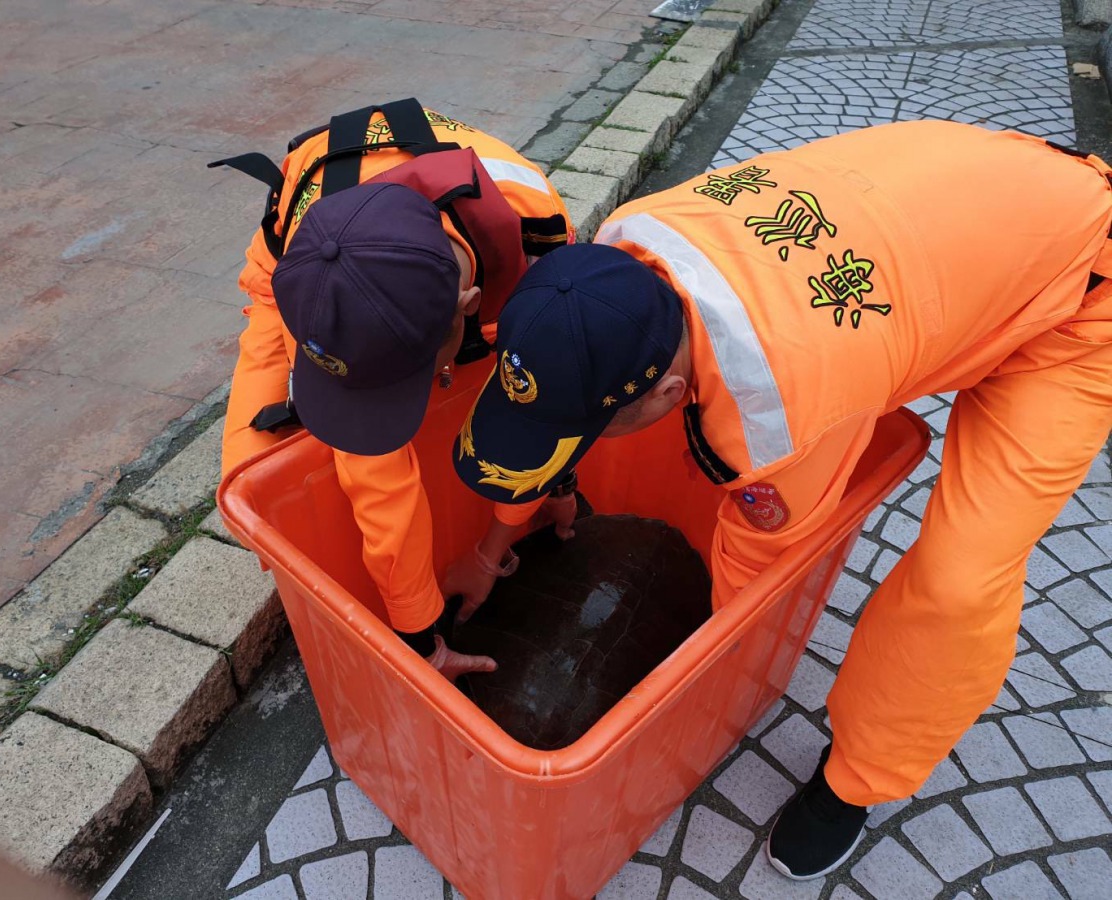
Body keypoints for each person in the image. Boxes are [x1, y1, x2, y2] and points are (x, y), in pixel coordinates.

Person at [450, 120, 1112, 879]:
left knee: (960, 584)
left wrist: (695, 674)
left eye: (592, 429)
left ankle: (853, 783)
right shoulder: (623, 251)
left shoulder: (782, 413)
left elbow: (753, 584)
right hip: (962, 215)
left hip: (1078, 297)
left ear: (667, 393)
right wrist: (492, 543)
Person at [216, 99, 577, 679]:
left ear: (469, 306)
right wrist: (420, 638)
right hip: (295, 255)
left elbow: (553, 379)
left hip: (463, 259)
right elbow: (376, 475)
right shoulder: (310, 278)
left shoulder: (535, 220)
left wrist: (557, 485)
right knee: (254, 493)